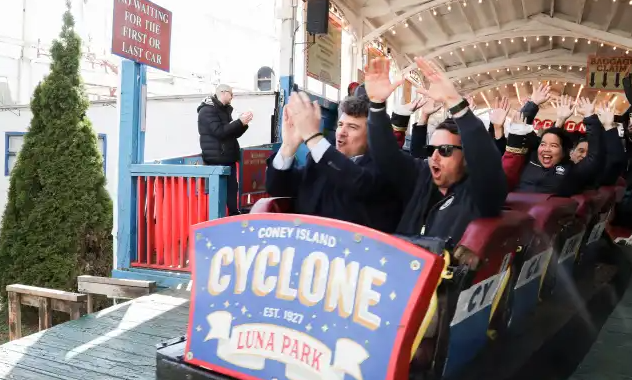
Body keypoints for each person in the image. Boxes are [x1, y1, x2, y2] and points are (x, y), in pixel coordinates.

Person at [364, 57, 507, 246]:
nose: (434, 157)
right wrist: (376, 106)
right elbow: (386, 156)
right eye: (431, 150)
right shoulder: (420, 177)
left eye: (445, 150)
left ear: (466, 157)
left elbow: (486, 162)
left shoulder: (480, 193)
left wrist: (455, 103)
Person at [265, 92, 402, 233]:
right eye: (340, 124)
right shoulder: (317, 162)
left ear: (372, 136)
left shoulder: (384, 169)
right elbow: (277, 188)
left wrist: (312, 136)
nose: (341, 132)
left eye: (352, 127)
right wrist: (289, 145)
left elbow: (357, 181)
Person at [498, 97, 607, 196]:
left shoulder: (572, 171)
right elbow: (520, 128)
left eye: (553, 145)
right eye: (543, 144)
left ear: (565, 151)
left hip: (547, 216)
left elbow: (594, 157)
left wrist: (590, 118)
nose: (546, 149)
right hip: (513, 212)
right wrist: (533, 104)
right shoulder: (529, 160)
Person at [197, 84, 252, 215]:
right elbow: (219, 132)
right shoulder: (207, 110)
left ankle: (233, 214)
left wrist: (243, 124)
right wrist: (239, 122)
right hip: (216, 159)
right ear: (223, 93)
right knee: (219, 192)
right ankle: (219, 218)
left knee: (232, 188)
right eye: (231, 94)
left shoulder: (224, 110)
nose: (232, 97)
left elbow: (232, 133)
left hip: (227, 157)